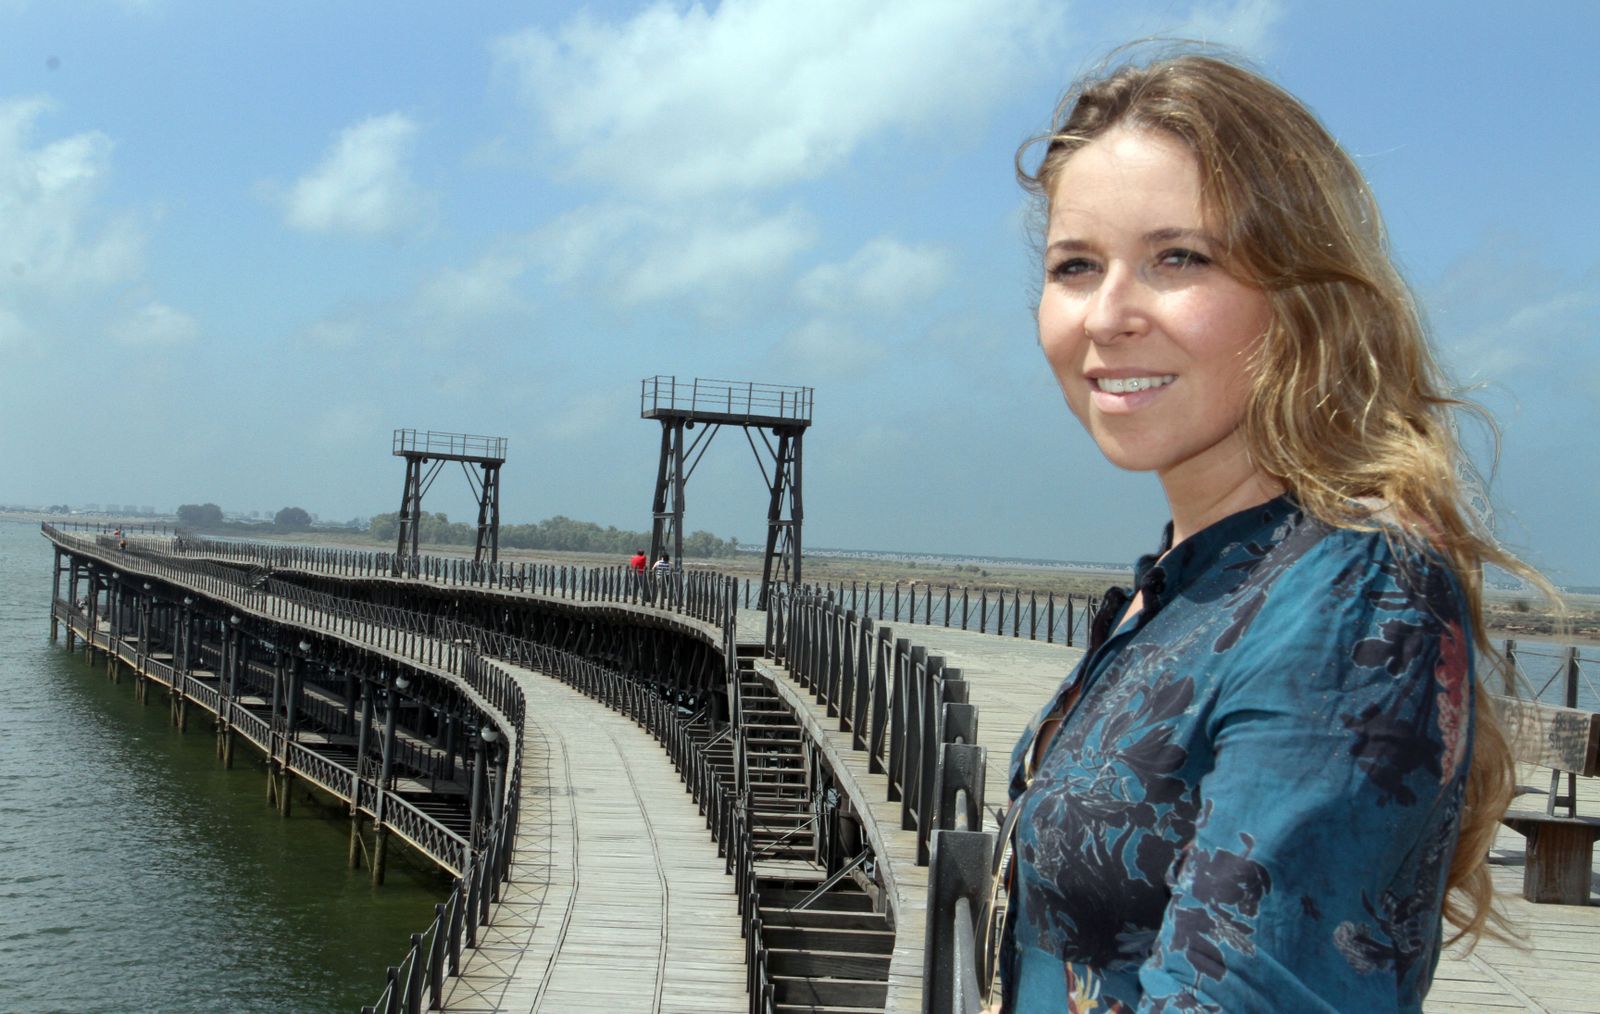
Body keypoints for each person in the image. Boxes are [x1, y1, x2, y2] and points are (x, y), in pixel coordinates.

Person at [997, 49, 1550, 1013]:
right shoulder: (1190, 584)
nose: (1109, 314)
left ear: (1302, 298)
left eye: (1180, 258)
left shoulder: (1355, 593)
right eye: (1075, 267)